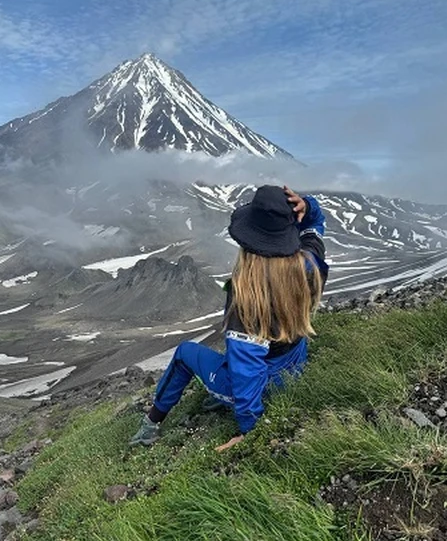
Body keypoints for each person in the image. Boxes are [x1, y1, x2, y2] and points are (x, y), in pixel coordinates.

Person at [129, 184, 328, 451]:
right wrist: (308, 205)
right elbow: (316, 224)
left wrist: (250, 430)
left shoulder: (246, 298)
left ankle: (150, 426)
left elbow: (248, 371)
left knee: (184, 353)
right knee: (241, 352)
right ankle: (217, 396)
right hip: (294, 366)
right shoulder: (311, 263)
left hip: (266, 386)